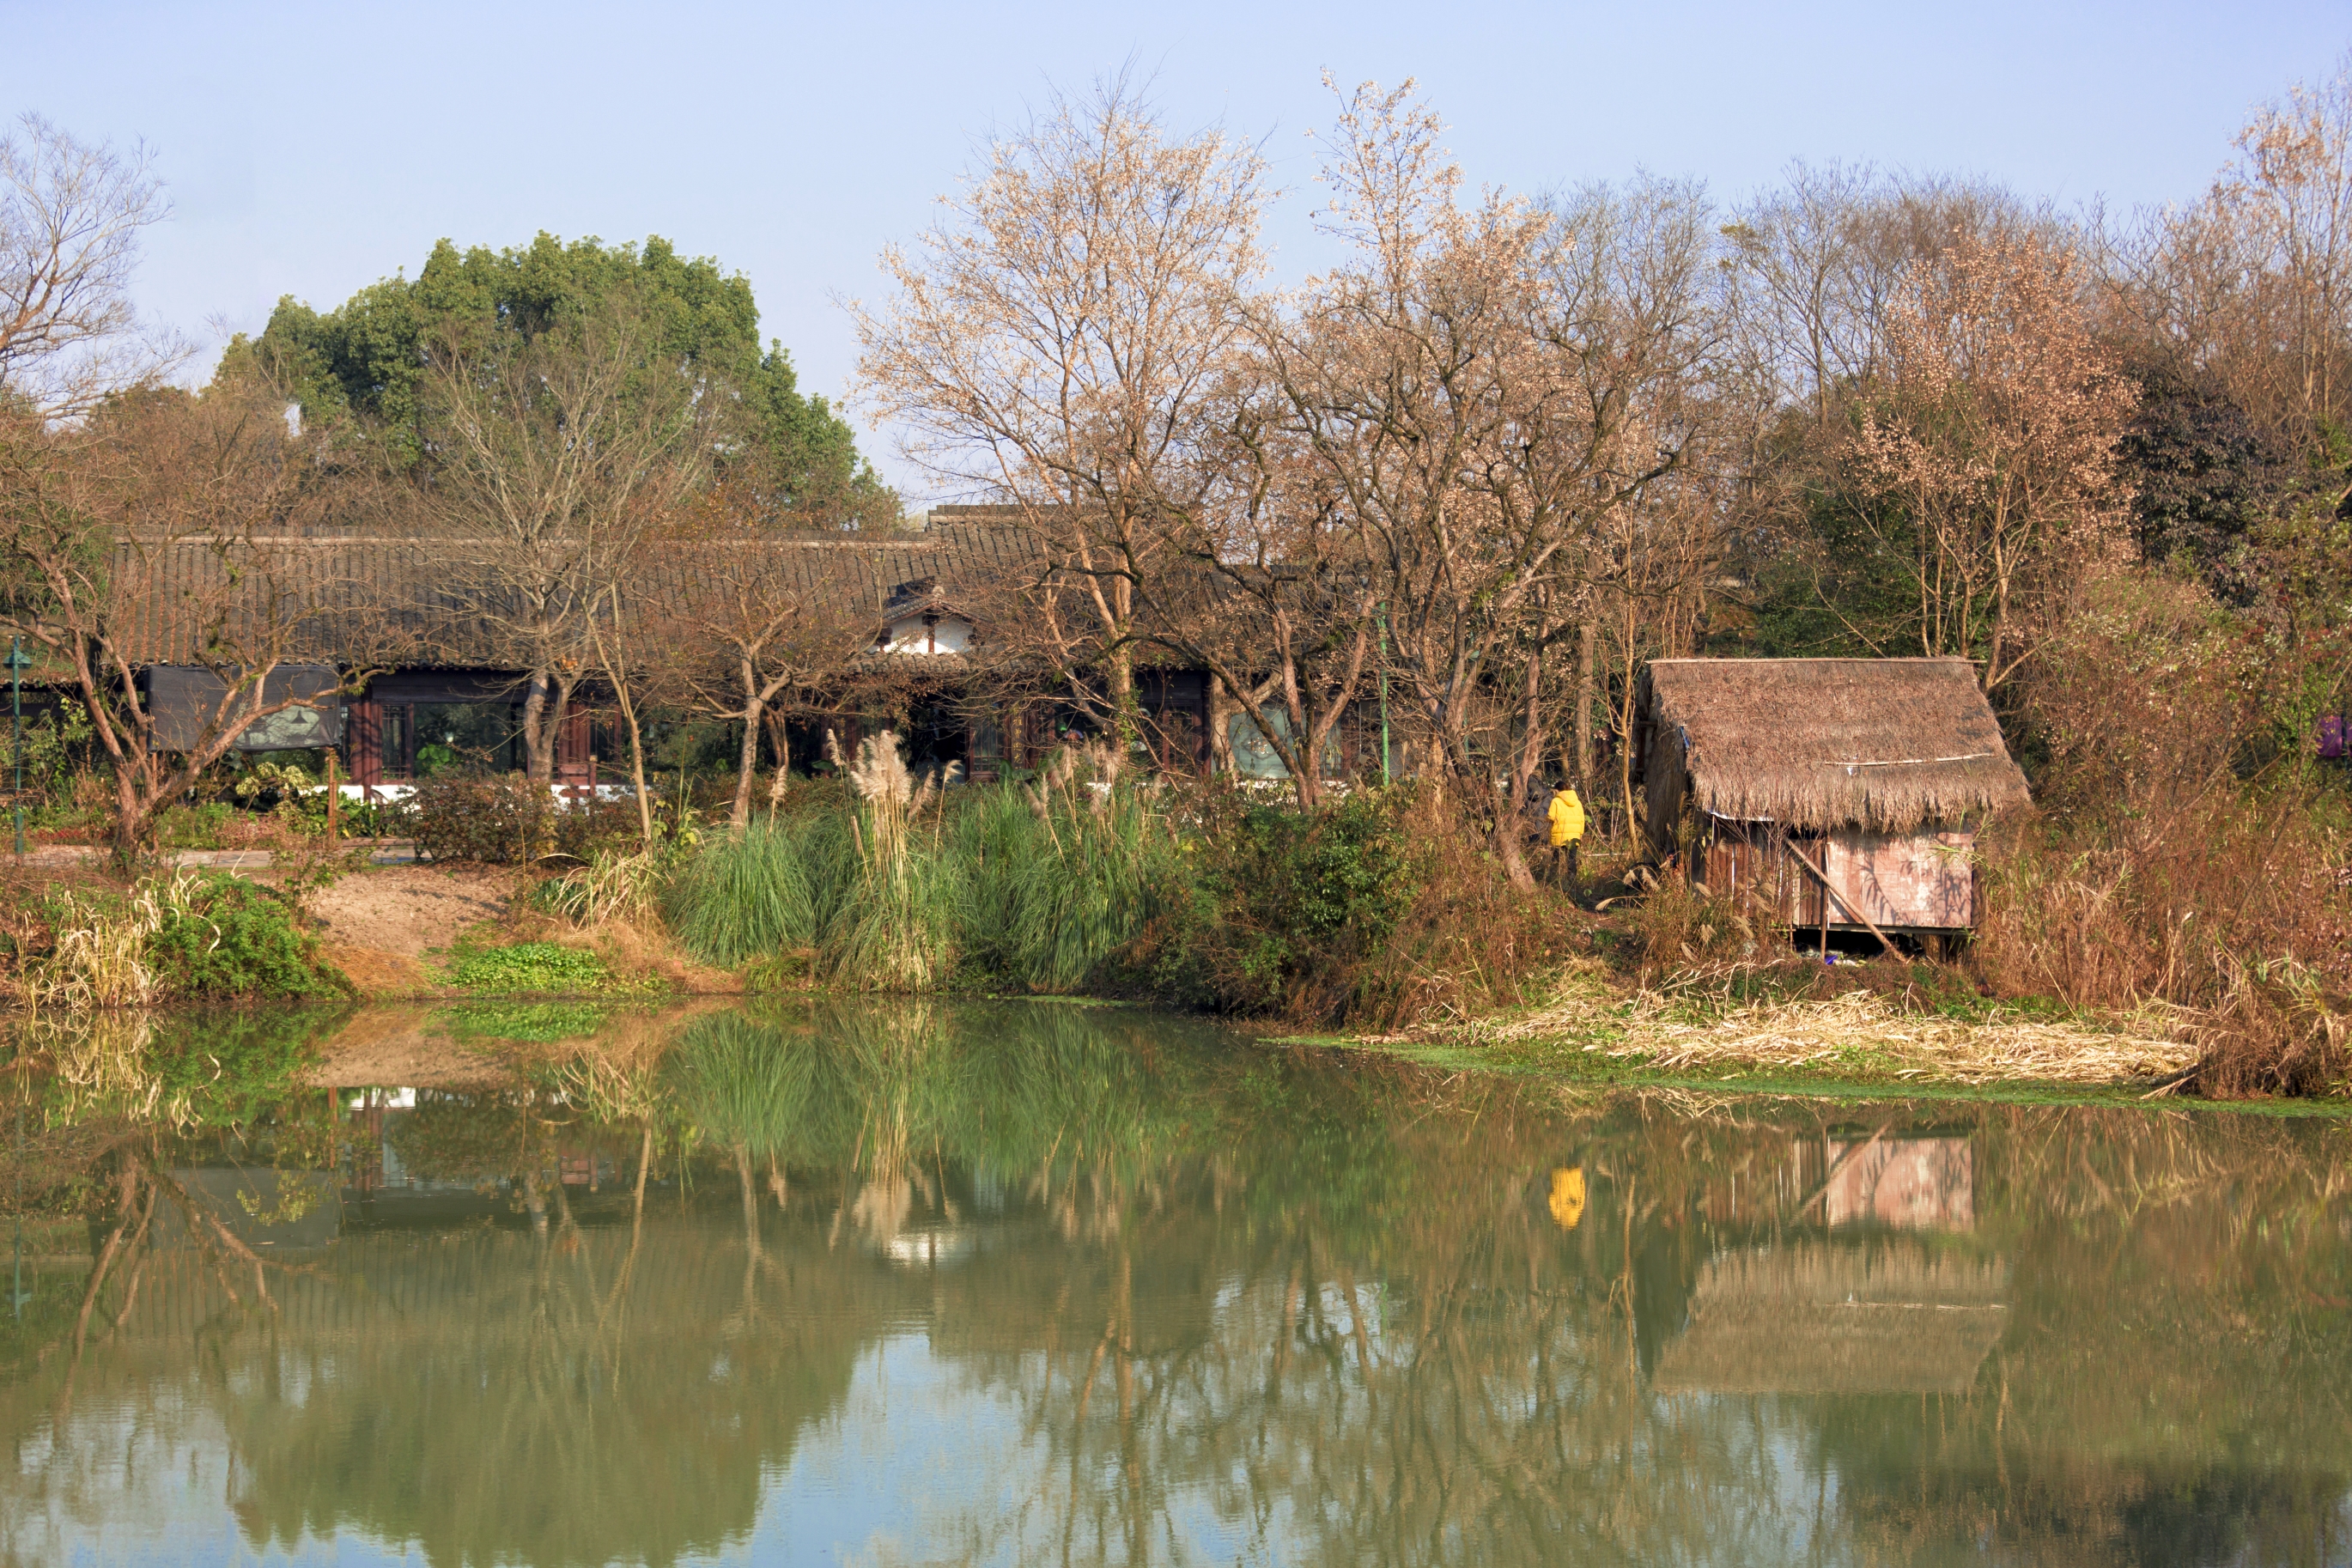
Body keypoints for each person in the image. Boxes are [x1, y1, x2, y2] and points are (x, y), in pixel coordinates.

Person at [1547, 782, 1586, 883]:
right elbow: (1582, 820)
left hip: (1559, 836)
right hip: (1574, 836)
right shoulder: (1578, 802)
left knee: (1556, 859)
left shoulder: (1555, 801)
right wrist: (1580, 834)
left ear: (1557, 790)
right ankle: (1572, 881)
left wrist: (1545, 819)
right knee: (1571, 859)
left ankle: (1554, 881)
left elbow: (1551, 817)